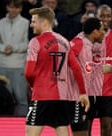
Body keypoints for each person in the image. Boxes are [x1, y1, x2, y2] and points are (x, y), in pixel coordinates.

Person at [24, 7, 90, 136]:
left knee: (31, 133)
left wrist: (32, 85)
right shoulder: (64, 41)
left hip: (42, 94)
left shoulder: (35, 42)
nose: (31, 24)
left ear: (44, 23)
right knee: (61, 127)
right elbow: (76, 68)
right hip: (62, 97)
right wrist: (82, 92)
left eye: (34, 21)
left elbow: (28, 72)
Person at [88, 4, 112, 136]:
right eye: (102, 16)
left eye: (108, 16)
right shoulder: (87, 37)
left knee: (107, 128)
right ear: (96, 17)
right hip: (90, 90)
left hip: (109, 91)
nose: (105, 19)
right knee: (86, 128)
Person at [69, 17, 105, 136]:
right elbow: (63, 61)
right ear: (94, 32)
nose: (103, 33)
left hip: (81, 97)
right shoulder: (79, 43)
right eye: (101, 30)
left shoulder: (88, 45)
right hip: (75, 97)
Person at [0, 0, 29, 116]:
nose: (13, 10)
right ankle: (4, 124)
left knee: (21, 98)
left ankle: (23, 125)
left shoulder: (26, 23)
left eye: (16, 7)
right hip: (2, 64)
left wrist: (13, 48)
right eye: (11, 7)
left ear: (20, 8)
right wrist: (2, 48)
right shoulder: (0, 24)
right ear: (7, 7)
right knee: (4, 98)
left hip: (19, 65)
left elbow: (28, 43)